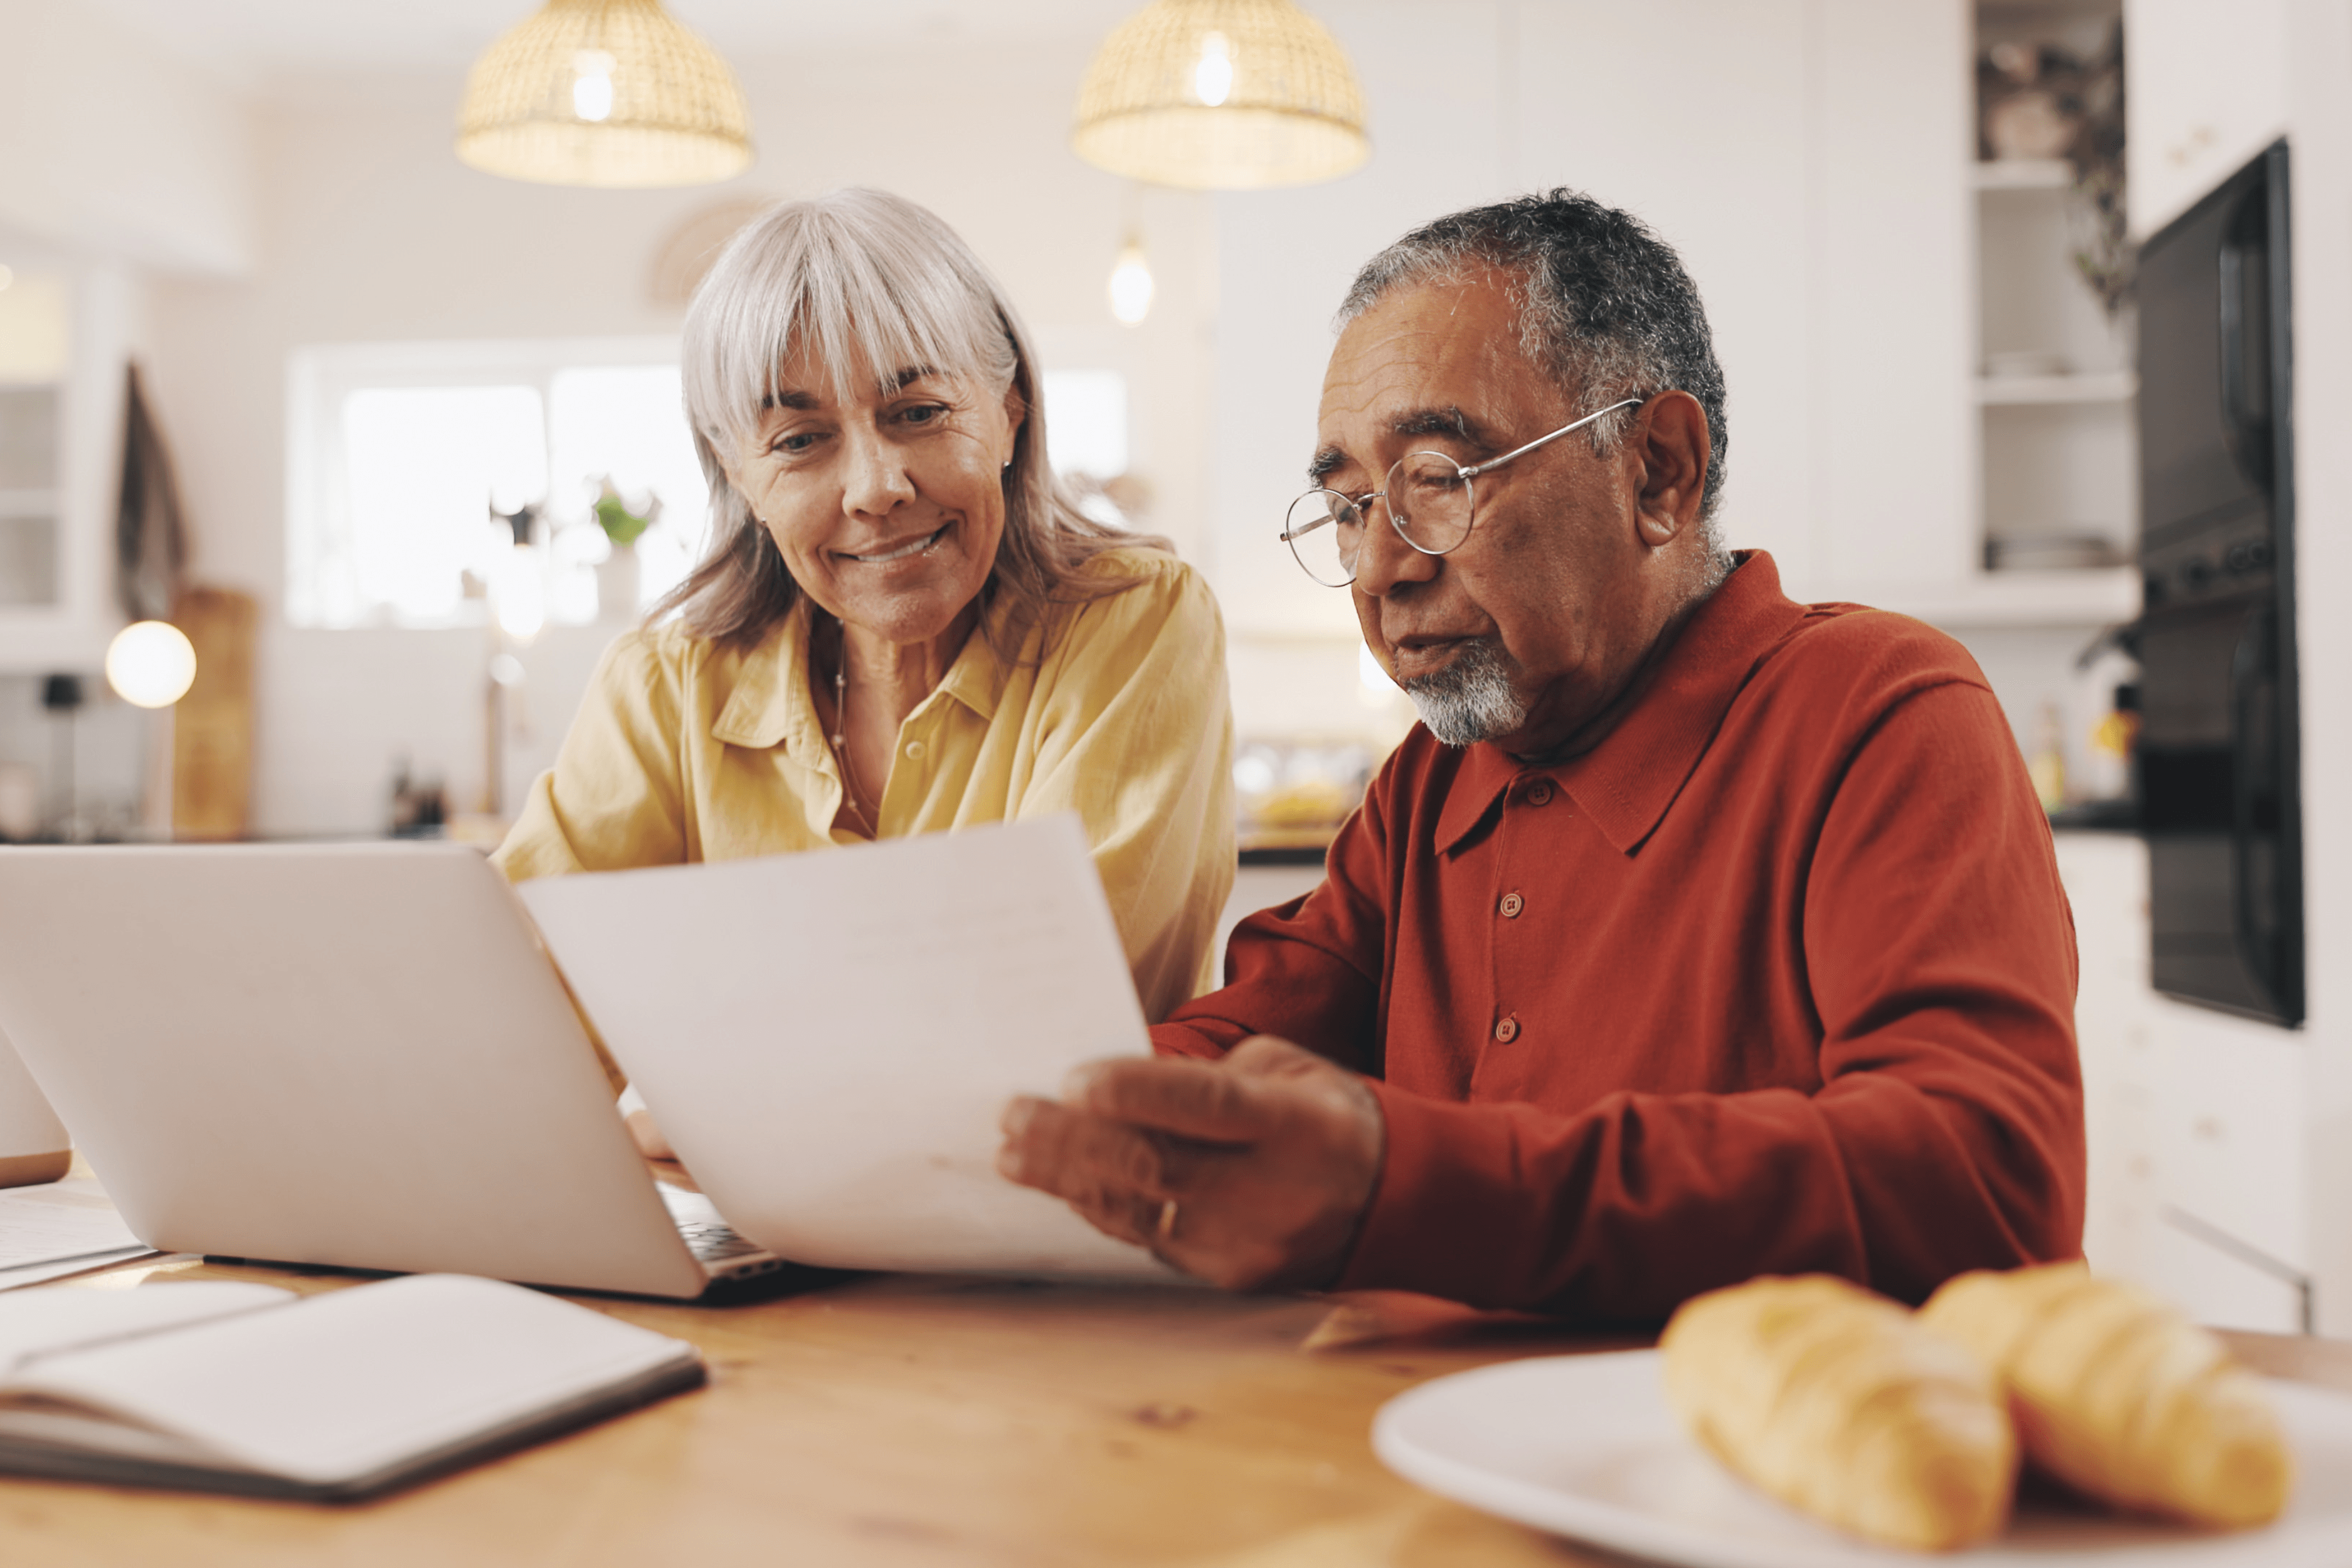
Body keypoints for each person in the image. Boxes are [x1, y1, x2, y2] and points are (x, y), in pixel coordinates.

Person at [998, 189, 2085, 1322]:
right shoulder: (1432, 780)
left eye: (1437, 479)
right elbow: (1254, 1031)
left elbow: (1984, 1184)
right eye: (1350, 507)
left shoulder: (1880, 710)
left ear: (1656, 471)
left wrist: (1407, 1183)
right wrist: (1039, 1115)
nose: (1378, 569)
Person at [495, 190, 1235, 1150]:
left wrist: (681, 1097)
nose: (876, 488)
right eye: (800, 441)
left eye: (919, 412)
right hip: (760, 1221)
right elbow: (508, 1016)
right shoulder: (666, 682)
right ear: (736, 469)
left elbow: (1042, 1030)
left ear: (1009, 413)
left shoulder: (1135, 621)